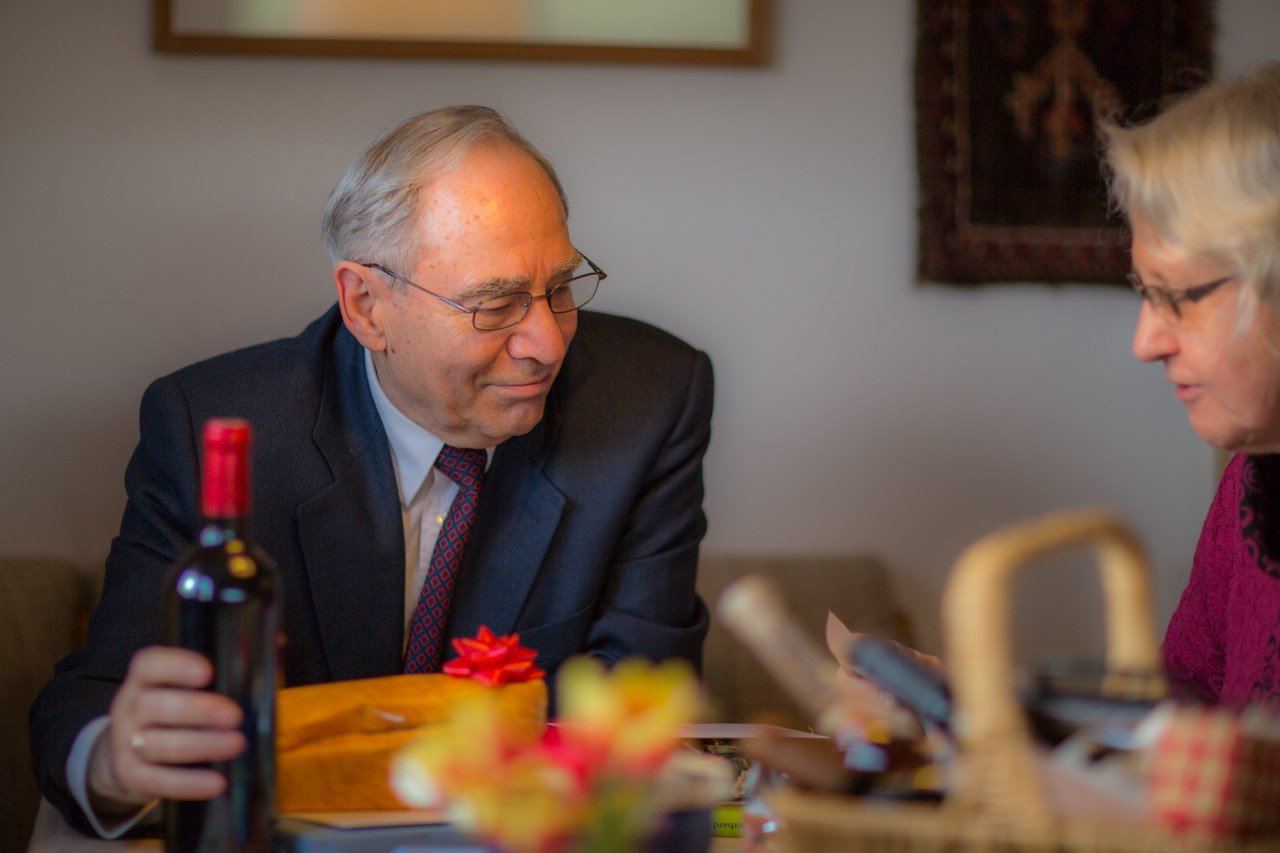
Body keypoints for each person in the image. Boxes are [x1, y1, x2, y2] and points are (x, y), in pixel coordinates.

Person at [30, 105, 713, 836]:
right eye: (496, 304)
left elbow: (637, 701)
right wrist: (117, 760)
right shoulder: (217, 428)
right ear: (366, 307)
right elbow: (96, 702)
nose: (547, 342)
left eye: (562, 287)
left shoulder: (648, 399)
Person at [1103, 63, 1280, 709]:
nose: (1144, 342)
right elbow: (1178, 711)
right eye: (1145, 293)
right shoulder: (1251, 486)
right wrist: (983, 711)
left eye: (1176, 295)